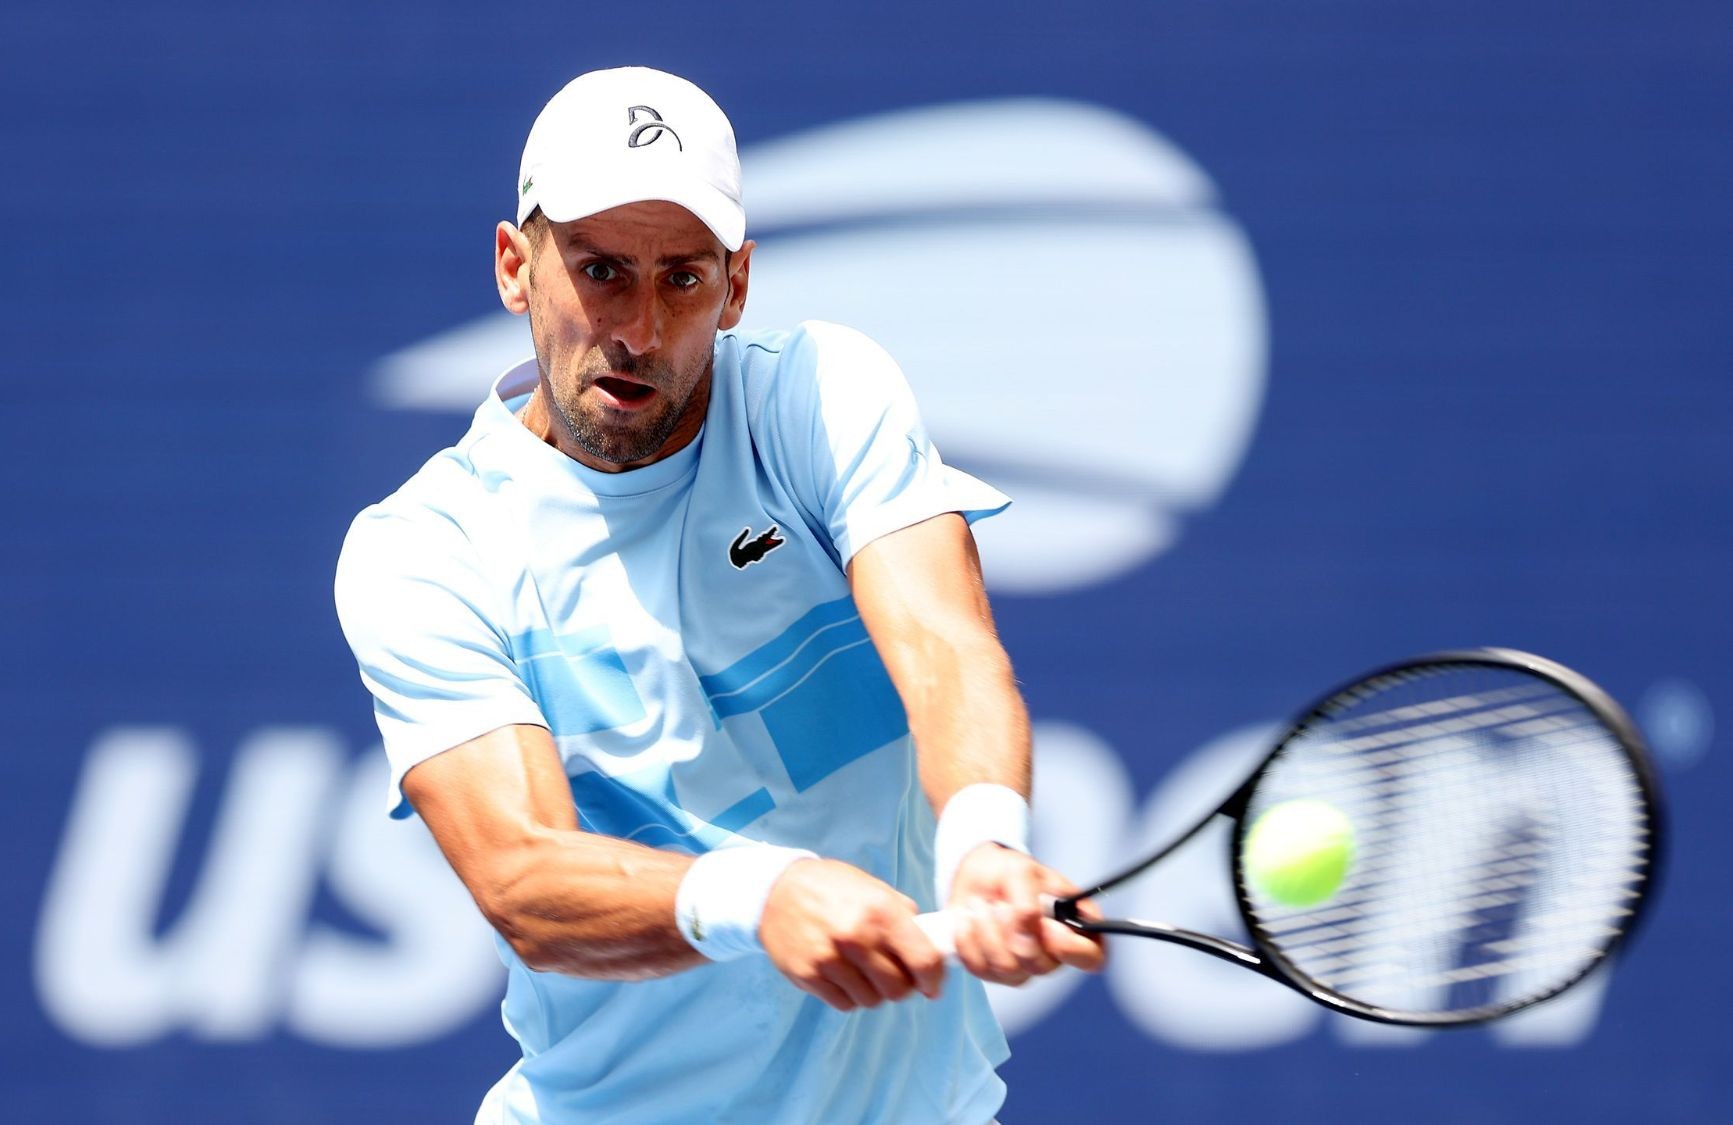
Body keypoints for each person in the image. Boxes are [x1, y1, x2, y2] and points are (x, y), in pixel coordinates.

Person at [334, 66, 1103, 1125]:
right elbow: (521, 876)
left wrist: (981, 842)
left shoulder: (818, 397)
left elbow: (943, 649)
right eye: (600, 271)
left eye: (683, 279)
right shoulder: (426, 549)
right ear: (515, 267)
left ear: (736, 287)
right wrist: (761, 895)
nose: (639, 330)